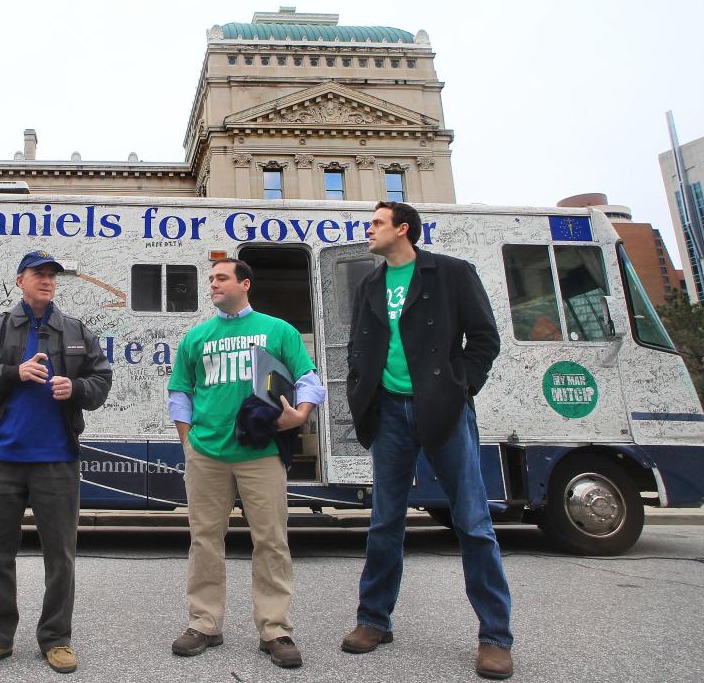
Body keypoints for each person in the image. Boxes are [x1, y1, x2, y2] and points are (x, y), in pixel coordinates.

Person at [341, 201, 513, 680]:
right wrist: (362, 388)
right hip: (390, 411)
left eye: (376, 223)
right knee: (384, 521)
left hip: (443, 408)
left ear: (403, 229)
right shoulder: (370, 284)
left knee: (473, 521)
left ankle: (495, 636)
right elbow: (360, 343)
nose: (368, 230)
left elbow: (484, 339)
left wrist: (461, 388)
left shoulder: (451, 273)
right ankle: (373, 620)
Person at [0, 250, 111, 674]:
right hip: (1, 458)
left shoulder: (76, 330)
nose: (46, 281)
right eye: (37, 274)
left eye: (51, 276)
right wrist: (13, 372)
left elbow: (101, 382)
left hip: (57, 460)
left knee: (60, 555)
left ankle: (57, 639)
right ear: (19, 280)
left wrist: (75, 388)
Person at [167, 258, 325, 669]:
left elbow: (309, 379)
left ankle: (275, 629)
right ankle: (204, 623)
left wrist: (301, 413)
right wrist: (188, 443)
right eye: (212, 279)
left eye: (221, 278)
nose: (213, 285)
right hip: (207, 454)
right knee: (204, 538)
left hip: (261, 454)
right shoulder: (197, 336)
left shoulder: (279, 330)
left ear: (245, 283)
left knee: (271, 540)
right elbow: (180, 392)